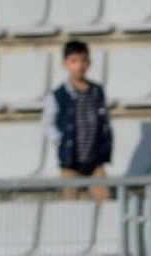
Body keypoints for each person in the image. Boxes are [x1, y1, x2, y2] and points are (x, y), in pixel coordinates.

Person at [42, 40, 112, 202]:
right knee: (70, 207)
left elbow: (104, 121)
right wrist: (60, 141)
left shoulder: (97, 91)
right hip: (70, 162)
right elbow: (47, 122)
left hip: (95, 160)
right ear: (65, 64)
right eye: (74, 61)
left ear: (89, 63)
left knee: (105, 200)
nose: (79, 65)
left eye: (83, 60)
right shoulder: (59, 94)